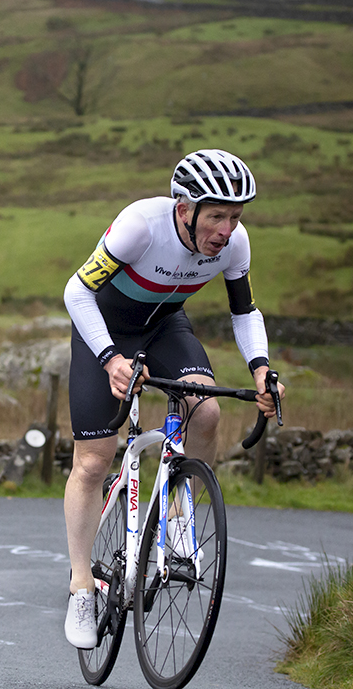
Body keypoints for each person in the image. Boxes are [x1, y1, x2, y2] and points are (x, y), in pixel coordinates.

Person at [62, 149, 285, 648]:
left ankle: (179, 513)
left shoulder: (235, 244)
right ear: (185, 209)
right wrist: (109, 360)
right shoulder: (140, 226)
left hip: (164, 327)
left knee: (206, 409)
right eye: (217, 216)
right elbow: (76, 293)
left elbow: (244, 311)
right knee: (94, 461)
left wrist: (262, 369)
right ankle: (81, 587)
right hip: (103, 329)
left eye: (235, 217)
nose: (226, 230)